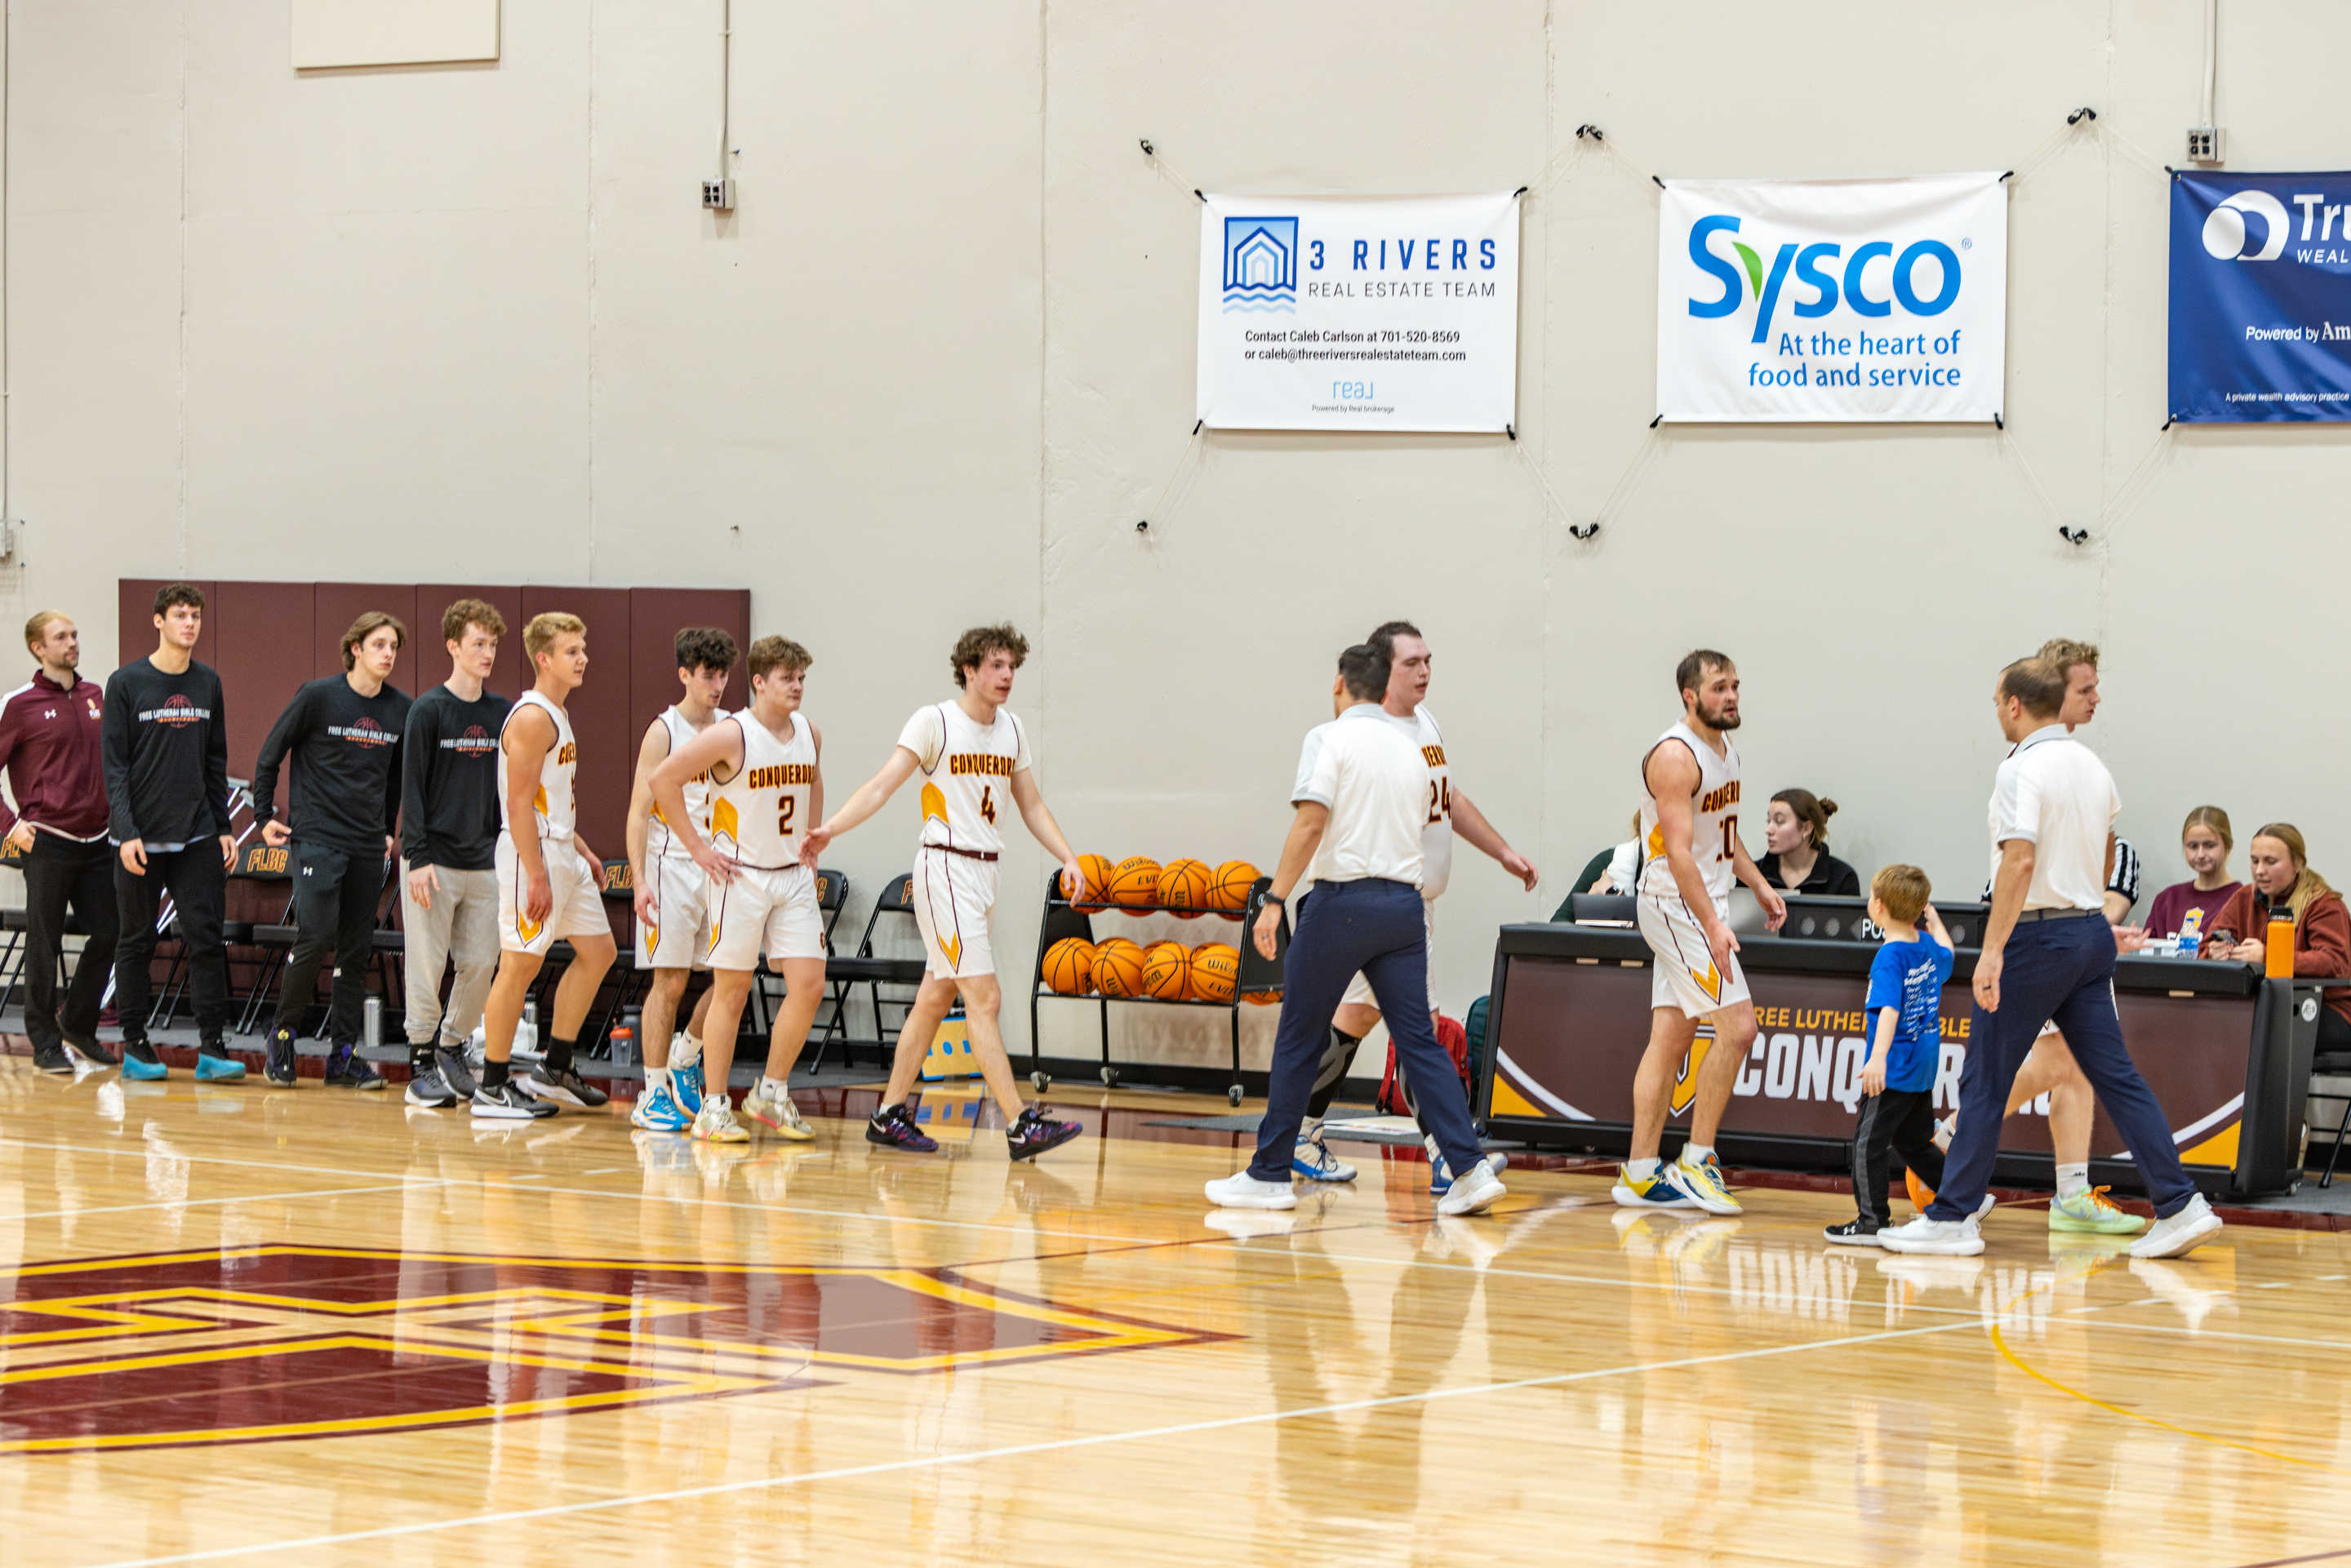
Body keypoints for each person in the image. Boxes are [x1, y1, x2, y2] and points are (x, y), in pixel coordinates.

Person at [1878, 657, 2220, 1259]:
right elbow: (2109, 847)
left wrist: (1991, 952)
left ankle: (1953, 1214)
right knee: (2115, 1075)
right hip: (2088, 931)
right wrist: (2084, 905)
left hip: (2035, 937)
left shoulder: (2020, 769)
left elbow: (2019, 861)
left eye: (1995, 702)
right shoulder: (2090, 762)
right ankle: (2181, 1202)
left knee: (1984, 1077)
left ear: (2014, 704)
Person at [1203, 643, 1504, 1216]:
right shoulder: (1416, 747)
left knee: (1299, 1034)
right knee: (1419, 1039)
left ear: (1340, 682)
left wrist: (1274, 899)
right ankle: (1468, 1167)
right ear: (1384, 684)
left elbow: (1312, 820)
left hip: (1342, 901)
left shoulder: (1329, 737)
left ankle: (1269, 1172)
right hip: (1404, 908)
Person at [799, 624, 1083, 1161]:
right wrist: (831, 827)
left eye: (1012, 667)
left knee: (936, 995)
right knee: (986, 996)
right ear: (969, 669)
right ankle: (1021, 1124)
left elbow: (1031, 805)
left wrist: (1068, 855)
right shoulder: (935, 721)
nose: (1007, 676)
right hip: (945, 869)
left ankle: (889, 1113)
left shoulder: (1012, 730)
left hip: (985, 874)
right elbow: (883, 783)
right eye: (996, 666)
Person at [1295, 619, 1538, 1192]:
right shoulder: (1367, 733)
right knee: (1419, 1030)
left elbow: (1446, 798)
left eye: (1429, 660)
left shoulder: (1425, 724)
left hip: (1407, 904)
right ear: (1381, 669)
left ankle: (1299, 1136)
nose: (1425, 671)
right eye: (1412, 663)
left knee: (1354, 1019)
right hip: (1386, 905)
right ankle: (1451, 1158)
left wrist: (1500, 849)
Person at [1932, 636, 2143, 1236]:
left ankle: (2070, 1190)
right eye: (2085, 689)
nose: (2096, 698)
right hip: (2029, 926)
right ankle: (1953, 1142)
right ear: (2046, 692)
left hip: (2064, 929)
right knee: (2035, 1062)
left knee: (2076, 1065)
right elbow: (2019, 862)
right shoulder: (2027, 764)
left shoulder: (2077, 764)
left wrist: (2086, 913)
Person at [1613, 650, 1786, 1216]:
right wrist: (1714, 924)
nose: (1732, 695)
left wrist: (1759, 886)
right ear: (1690, 696)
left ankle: (1639, 1171)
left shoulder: (1725, 747)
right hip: (1675, 902)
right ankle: (1697, 1158)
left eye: (1735, 684)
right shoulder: (1674, 756)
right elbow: (1680, 852)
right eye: (1719, 687)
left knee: (1670, 1037)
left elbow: (1722, 838)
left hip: (1699, 899)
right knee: (1739, 1028)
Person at [653, 636, 825, 1144]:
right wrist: (699, 847)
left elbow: (814, 781)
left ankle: (770, 1093)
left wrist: (813, 838)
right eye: (787, 678)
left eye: (801, 678)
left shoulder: (809, 732)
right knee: (732, 990)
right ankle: (712, 1107)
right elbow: (664, 780)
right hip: (740, 874)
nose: (796, 686)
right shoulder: (733, 735)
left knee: (810, 983)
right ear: (759, 681)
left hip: (791, 875)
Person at [253, 612, 411, 1091]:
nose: (388, 654)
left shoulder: (400, 709)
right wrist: (263, 816)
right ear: (356, 648)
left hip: (366, 843)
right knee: (317, 935)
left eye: (394, 647)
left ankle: (344, 1056)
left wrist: (387, 829)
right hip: (317, 838)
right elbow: (270, 752)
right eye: (379, 644)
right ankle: (282, 1039)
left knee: (356, 948)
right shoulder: (317, 697)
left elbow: (394, 778)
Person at [472, 612, 616, 1120]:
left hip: (559, 849)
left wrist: (581, 847)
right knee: (520, 964)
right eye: (572, 651)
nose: (583, 659)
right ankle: (491, 1085)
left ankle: (555, 1067)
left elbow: (546, 799)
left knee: (599, 952)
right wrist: (536, 872)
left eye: (583, 649)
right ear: (544, 658)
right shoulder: (533, 717)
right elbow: (516, 805)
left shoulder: (557, 711)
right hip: (529, 853)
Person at [101, 583, 242, 1082]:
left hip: (198, 834)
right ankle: (136, 1045)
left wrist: (223, 827)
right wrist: (126, 830)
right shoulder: (126, 682)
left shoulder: (208, 683)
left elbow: (214, 760)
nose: (190, 624)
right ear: (158, 620)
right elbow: (114, 767)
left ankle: (212, 1047)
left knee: (206, 940)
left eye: (196, 616)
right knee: (137, 941)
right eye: (180, 615)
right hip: (139, 837)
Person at [623, 627, 735, 1133]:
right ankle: (651, 1092)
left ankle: (686, 1054)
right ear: (684, 674)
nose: (717, 685)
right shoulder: (663, 731)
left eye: (723, 675)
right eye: (708, 675)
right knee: (670, 981)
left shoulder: (734, 727)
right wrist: (639, 879)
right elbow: (638, 812)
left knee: (735, 974)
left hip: (722, 864)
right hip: (672, 864)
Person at [399, 599, 509, 1108]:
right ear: (453, 647)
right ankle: (420, 1062)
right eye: (478, 644)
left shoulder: (503, 713)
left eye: (493, 644)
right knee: (425, 965)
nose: (488, 653)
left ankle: (450, 1045)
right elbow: (411, 790)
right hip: (432, 861)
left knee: (482, 962)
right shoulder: (428, 710)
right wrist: (416, 857)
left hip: (484, 861)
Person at [0, 611, 120, 1073]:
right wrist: (11, 824)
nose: (72, 643)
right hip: (47, 841)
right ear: (38, 648)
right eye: (61, 637)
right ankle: (45, 1042)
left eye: (74, 634)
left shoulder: (95, 697)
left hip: (98, 841)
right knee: (44, 942)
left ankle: (78, 1023)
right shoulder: (20, 704)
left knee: (110, 931)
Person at [1824, 865, 1953, 1245]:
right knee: (1914, 1143)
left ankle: (1871, 1221)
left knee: (1868, 1144)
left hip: (1893, 1069)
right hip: (1923, 1066)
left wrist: (1877, 1057)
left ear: (1877, 907)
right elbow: (1948, 953)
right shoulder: (1926, 945)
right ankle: (1962, 1198)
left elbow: (1889, 1010)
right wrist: (1934, 919)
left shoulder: (1889, 958)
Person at [2202, 824, 2351, 1055]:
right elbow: (2208, 943)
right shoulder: (2244, 898)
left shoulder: (2324, 904)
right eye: (2255, 861)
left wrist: (2266, 957)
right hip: (2265, 1004)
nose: (2260, 870)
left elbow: (2333, 962)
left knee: (2256, 1031)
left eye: (2271, 862)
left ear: (2298, 863)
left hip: (2326, 1008)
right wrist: (2216, 951)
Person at [2146, 806, 2242, 943]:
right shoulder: (2167, 899)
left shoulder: (2241, 900)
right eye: (2193, 846)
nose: (2200, 854)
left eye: (2209, 845)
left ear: (2228, 845)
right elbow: (2147, 952)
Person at [1754, 788, 1860, 895]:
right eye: (1769, 821)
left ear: (1807, 828)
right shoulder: (1752, 875)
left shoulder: (1843, 878)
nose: (1768, 830)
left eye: (1779, 821)